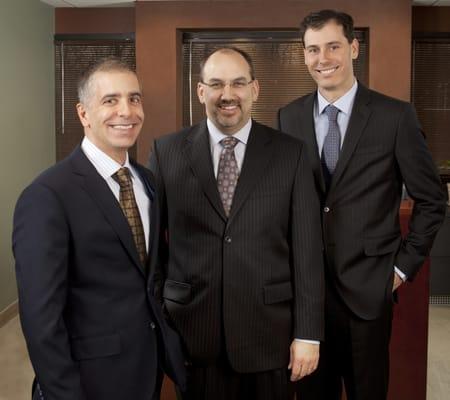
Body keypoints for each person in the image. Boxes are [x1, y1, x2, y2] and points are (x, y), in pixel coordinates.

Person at [278, 9, 446, 400]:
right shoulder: (289, 117)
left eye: (333, 46)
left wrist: (401, 270)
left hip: (370, 293)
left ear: (353, 48)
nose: (323, 58)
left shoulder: (395, 116)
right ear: (304, 55)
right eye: (313, 49)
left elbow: (432, 199)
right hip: (308, 298)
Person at [149, 47, 325, 400]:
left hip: (269, 336)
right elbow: (154, 249)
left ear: (254, 89)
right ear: (201, 91)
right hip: (193, 335)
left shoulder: (290, 153)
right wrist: (159, 320)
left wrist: (308, 334)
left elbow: (307, 251)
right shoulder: (166, 152)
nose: (227, 94)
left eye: (238, 83)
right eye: (216, 84)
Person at [12, 57, 186, 400]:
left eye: (134, 99)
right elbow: (40, 319)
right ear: (83, 114)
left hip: (145, 369)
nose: (127, 111)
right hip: (88, 380)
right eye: (110, 100)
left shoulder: (147, 182)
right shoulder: (48, 195)